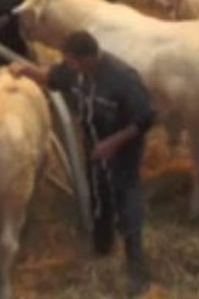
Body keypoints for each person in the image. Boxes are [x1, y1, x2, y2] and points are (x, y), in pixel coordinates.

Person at [11, 31, 155, 296]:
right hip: (94, 147)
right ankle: (102, 249)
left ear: (90, 58)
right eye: (68, 62)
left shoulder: (123, 78)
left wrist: (112, 144)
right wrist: (26, 71)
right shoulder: (73, 71)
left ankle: (137, 267)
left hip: (122, 150)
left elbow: (145, 118)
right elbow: (51, 78)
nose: (70, 66)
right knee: (99, 195)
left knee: (126, 198)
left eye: (73, 61)